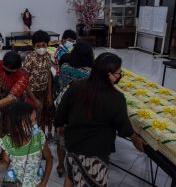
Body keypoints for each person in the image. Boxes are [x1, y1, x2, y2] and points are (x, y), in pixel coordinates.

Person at [54, 53, 145, 187]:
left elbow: (60, 115)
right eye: (117, 73)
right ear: (106, 74)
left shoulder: (76, 86)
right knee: (94, 181)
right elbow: (123, 127)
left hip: (73, 143)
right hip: (96, 151)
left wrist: (60, 126)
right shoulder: (116, 97)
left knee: (72, 175)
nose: (119, 77)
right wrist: (135, 138)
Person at [0, 101, 52, 187]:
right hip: (14, 183)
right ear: (17, 126)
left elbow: (49, 159)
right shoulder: (8, 142)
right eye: (31, 122)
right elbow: (6, 162)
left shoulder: (39, 137)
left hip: (36, 183)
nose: (35, 124)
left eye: (35, 120)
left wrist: (44, 183)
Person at [54, 41, 94, 178]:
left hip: (64, 107)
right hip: (81, 111)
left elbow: (60, 83)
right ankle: (76, 166)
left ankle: (60, 165)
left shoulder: (65, 67)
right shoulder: (92, 74)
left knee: (61, 138)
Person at [23, 30, 55, 138]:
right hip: (31, 93)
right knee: (34, 116)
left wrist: (49, 94)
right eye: (38, 46)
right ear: (33, 46)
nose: (41, 48)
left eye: (43, 45)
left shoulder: (47, 57)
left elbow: (49, 75)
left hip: (44, 91)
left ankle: (42, 137)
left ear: (47, 45)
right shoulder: (29, 58)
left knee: (44, 115)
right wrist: (34, 99)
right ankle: (34, 138)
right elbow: (25, 80)